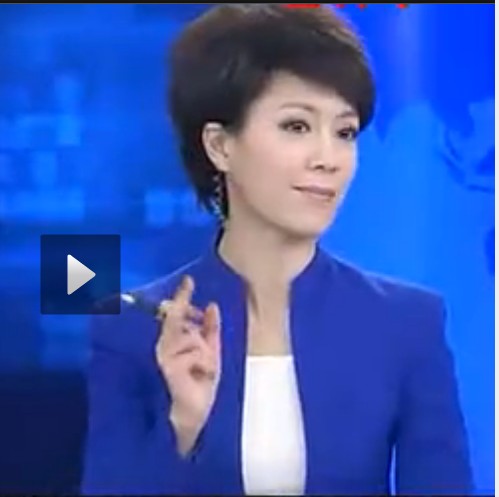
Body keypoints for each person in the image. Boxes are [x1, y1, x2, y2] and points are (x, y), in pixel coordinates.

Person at [80, 4, 474, 495]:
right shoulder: (132, 327)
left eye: (344, 132)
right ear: (220, 146)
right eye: (297, 126)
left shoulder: (407, 323)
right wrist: (182, 425)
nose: (328, 159)